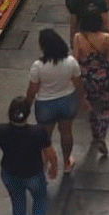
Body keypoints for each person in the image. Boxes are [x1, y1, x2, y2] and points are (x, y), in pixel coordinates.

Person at [26, 29, 83, 173]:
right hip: (67, 101)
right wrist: (82, 100)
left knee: (44, 138)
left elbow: (32, 90)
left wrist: (26, 105)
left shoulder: (38, 66)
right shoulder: (71, 62)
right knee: (66, 133)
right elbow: (78, 84)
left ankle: (45, 165)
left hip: (45, 105)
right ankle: (66, 162)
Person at [72, 7, 109, 160]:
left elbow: (76, 58)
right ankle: (102, 135)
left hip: (87, 77)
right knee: (106, 106)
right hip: (103, 75)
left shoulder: (78, 37)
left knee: (90, 104)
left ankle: (95, 133)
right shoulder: (106, 38)